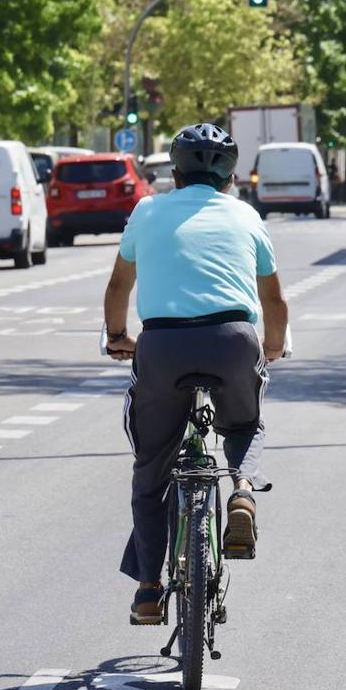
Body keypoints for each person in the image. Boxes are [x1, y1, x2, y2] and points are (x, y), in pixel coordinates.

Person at [102, 123, 289, 624]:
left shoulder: (147, 210)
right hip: (233, 341)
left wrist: (118, 336)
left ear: (175, 172)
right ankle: (243, 493)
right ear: (229, 177)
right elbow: (273, 298)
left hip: (162, 346)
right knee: (244, 424)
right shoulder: (247, 216)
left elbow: (119, 285)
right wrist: (271, 346)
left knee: (150, 471)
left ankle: (147, 588)